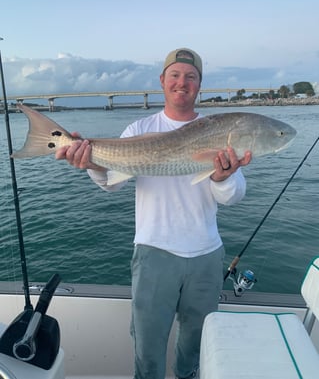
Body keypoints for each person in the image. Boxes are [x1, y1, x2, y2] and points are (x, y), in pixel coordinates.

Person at [56, 48, 252, 379]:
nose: (182, 82)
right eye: (175, 75)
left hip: (206, 255)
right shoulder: (138, 128)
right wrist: (91, 163)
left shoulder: (220, 129)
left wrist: (223, 177)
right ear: (162, 81)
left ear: (199, 85)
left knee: (195, 345)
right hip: (153, 253)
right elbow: (111, 182)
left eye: (191, 77)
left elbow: (234, 197)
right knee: (147, 348)